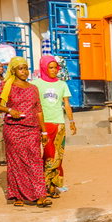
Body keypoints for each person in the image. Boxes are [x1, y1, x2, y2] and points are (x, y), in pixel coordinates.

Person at [0, 56, 50, 207]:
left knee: (35, 161)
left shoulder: (33, 88)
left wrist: (43, 132)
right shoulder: (6, 86)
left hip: (32, 129)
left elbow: (39, 111)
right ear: (14, 70)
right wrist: (9, 109)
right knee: (17, 163)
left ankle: (40, 195)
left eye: (26, 68)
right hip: (13, 129)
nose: (24, 72)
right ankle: (17, 195)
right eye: (21, 68)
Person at [30, 55, 75, 199]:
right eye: (51, 67)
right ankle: (43, 184)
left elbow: (66, 104)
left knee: (58, 156)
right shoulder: (36, 84)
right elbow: (32, 105)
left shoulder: (62, 85)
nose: (54, 70)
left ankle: (53, 185)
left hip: (59, 124)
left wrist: (72, 121)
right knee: (48, 155)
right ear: (44, 67)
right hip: (43, 125)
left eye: (56, 67)